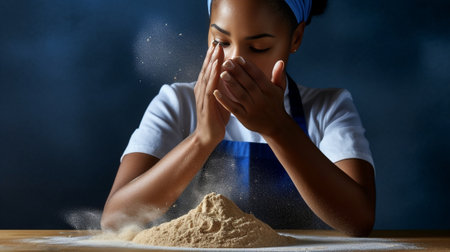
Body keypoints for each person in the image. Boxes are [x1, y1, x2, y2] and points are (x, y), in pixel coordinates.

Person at [101, 0, 376, 237]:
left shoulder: (328, 109)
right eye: (221, 42)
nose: (235, 61)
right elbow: (114, 219)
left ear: (295, 38)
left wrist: (277, 128)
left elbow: (358, 222)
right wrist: (202, 139)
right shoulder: (176, 104)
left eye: (258, 47)